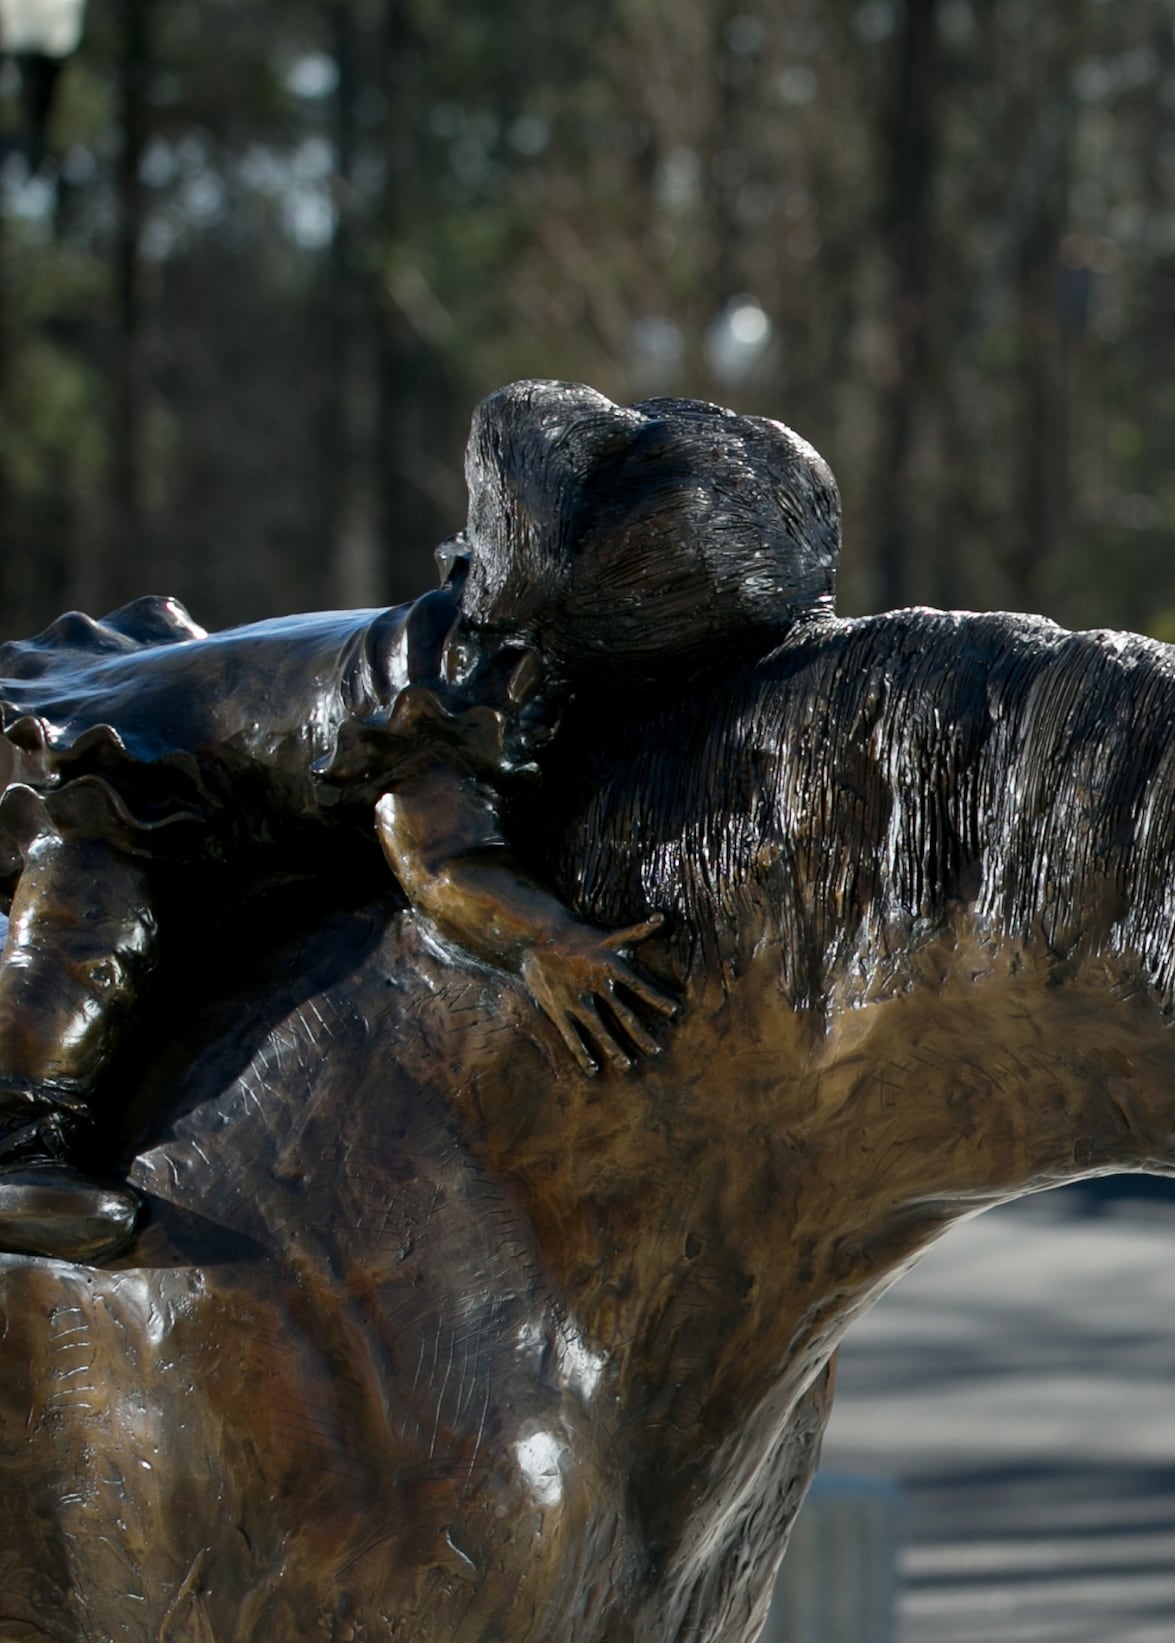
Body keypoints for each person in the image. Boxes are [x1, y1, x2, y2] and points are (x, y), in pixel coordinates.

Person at [0, 380, 838, 1261]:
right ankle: (18, 1139)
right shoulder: (455, 690)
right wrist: (546, 938)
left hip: (265, 798)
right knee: (88, 931)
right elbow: (437, 856)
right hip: (150, 763)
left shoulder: (533, 668)